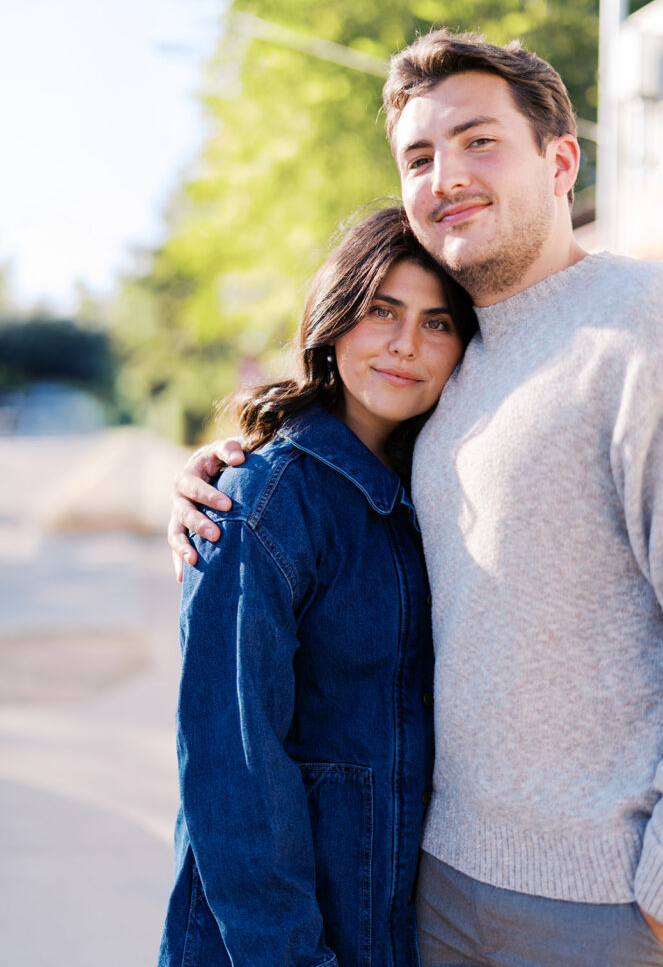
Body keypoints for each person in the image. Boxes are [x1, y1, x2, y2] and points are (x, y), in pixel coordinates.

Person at [168, 31, 663, 966]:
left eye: (479, 140)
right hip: (430, 893)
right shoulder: (455, 370)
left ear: (562, 159)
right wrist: (232, 468)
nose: (446, 172)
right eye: (419, 155)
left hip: (611, 908)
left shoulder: (662, 320)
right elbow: (343, 492)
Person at [158, 203, 477, 967]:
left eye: (438, 323)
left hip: (391, 929)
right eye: (382, 312)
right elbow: (231, 771)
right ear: (334, 320)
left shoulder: (433, 489)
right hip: (274, 947)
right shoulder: (257, 505)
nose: (407, 346)